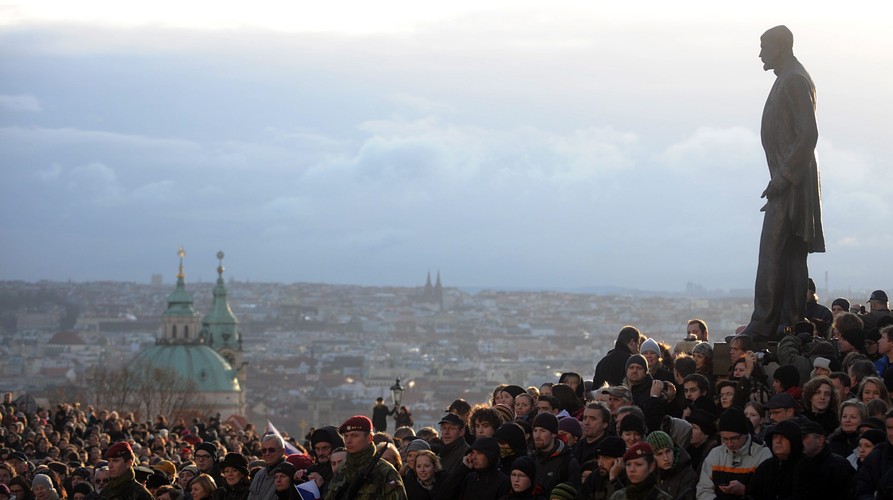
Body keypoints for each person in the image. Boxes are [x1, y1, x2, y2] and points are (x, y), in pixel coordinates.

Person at [743, 25, 824, 341]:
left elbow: (808, 134)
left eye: (764, 46)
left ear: (782, 46)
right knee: (790, 253)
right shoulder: (790, 78)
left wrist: (784, 177)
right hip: (791, 178)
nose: (760, 53)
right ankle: (789, 322)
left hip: (791, 180)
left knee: (773, 251)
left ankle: (764, 322)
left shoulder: (793, 80)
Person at [695, 408, 771, 500]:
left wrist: (745, 490)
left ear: (745, 434)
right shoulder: (715, 454)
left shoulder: (764, 455)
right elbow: (703, 489)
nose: (729, 444)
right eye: (725, 439)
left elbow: (769, 493)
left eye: (734, 438)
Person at [324, 415, 406, 500]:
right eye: (346, 436)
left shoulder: (385, 472)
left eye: (354, 436)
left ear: (369, 438)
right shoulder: (342, 469)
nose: (348, 441)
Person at [794, 421, 854, 498]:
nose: (800, 442)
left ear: (820, 440)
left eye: (804, 437)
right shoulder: (801, 464)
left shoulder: (838, 466)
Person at [745, 420, 802, 500]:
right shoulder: (766, 466)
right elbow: (751, 493)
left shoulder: (805, 466)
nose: (778, 441)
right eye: (775, 437)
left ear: (794, 441)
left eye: (784, 437)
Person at [607, 443, 673, 500]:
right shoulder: (617, 497)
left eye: (638, 464)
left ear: (651, 466)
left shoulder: (663, 498)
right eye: (628, 464)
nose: (632, 469)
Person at [646, 431, 697, 500]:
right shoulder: (647, 475)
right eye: (659, 454)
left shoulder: (687, 474)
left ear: (674, 450)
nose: (666, 458)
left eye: (668, 451)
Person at [247, 434, 287, 500]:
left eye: (271, 450)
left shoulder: (288, 475)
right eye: (264, 450)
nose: (267, 453)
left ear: (282, 451)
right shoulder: (259, 474)